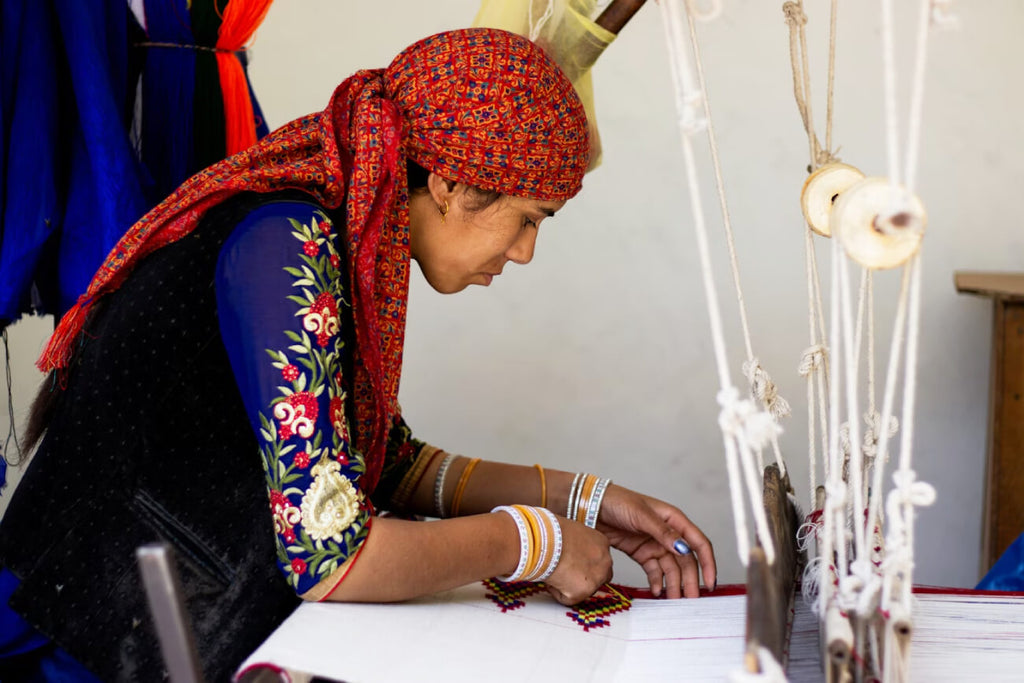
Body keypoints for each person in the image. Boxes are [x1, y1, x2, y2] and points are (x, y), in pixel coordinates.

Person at [0, 28, 715, 681]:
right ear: (448, 182)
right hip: (76, 640)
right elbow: (331, 557)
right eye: (527, 220)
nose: (524, 252)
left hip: (138, 621)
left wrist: (588, 499)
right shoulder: (287, 243)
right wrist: (531, 542)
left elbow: (390, 462)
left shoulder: (338, 237)